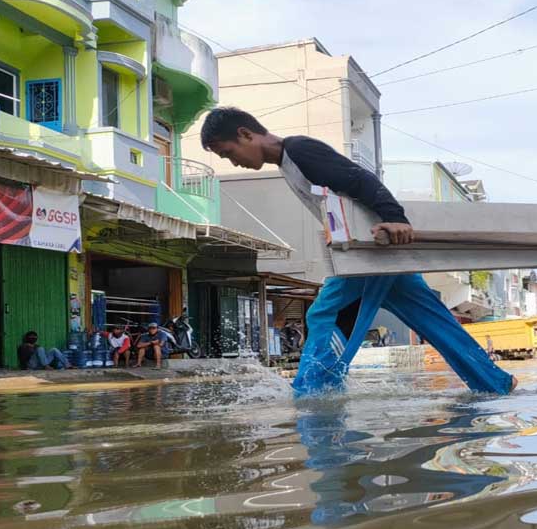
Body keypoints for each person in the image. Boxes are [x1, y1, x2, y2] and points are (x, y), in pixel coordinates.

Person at [199, 107, 516, 398]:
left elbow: (361, 179)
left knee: (324, 313)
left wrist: (395, 219)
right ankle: (496, 382)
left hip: (369, 253)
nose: (233, 162)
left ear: (245, 134)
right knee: (435, 322)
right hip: (379, 255)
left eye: (229, 153)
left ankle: (314, 393)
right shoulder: (289, 163)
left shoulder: (298, 150)